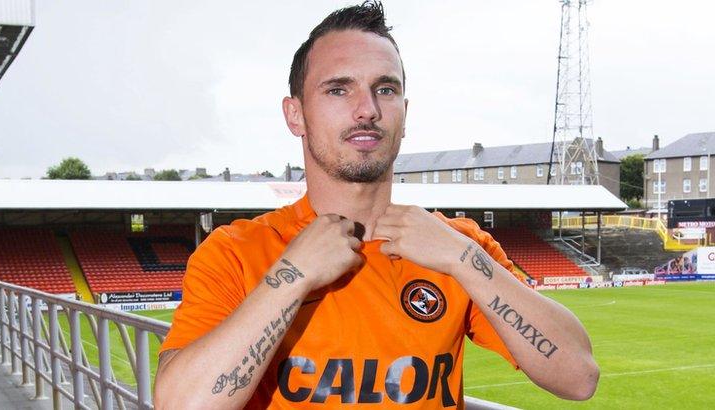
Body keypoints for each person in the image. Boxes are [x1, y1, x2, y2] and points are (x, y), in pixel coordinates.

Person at [153, 2, 599, 408]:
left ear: (405, 111)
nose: (366, 109)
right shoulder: (235, 251)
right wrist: (291, 278)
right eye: (338, 90)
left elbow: (578, 378)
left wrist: (463, 259)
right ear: (296, 114)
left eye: (385, 89)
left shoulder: (456, 245)